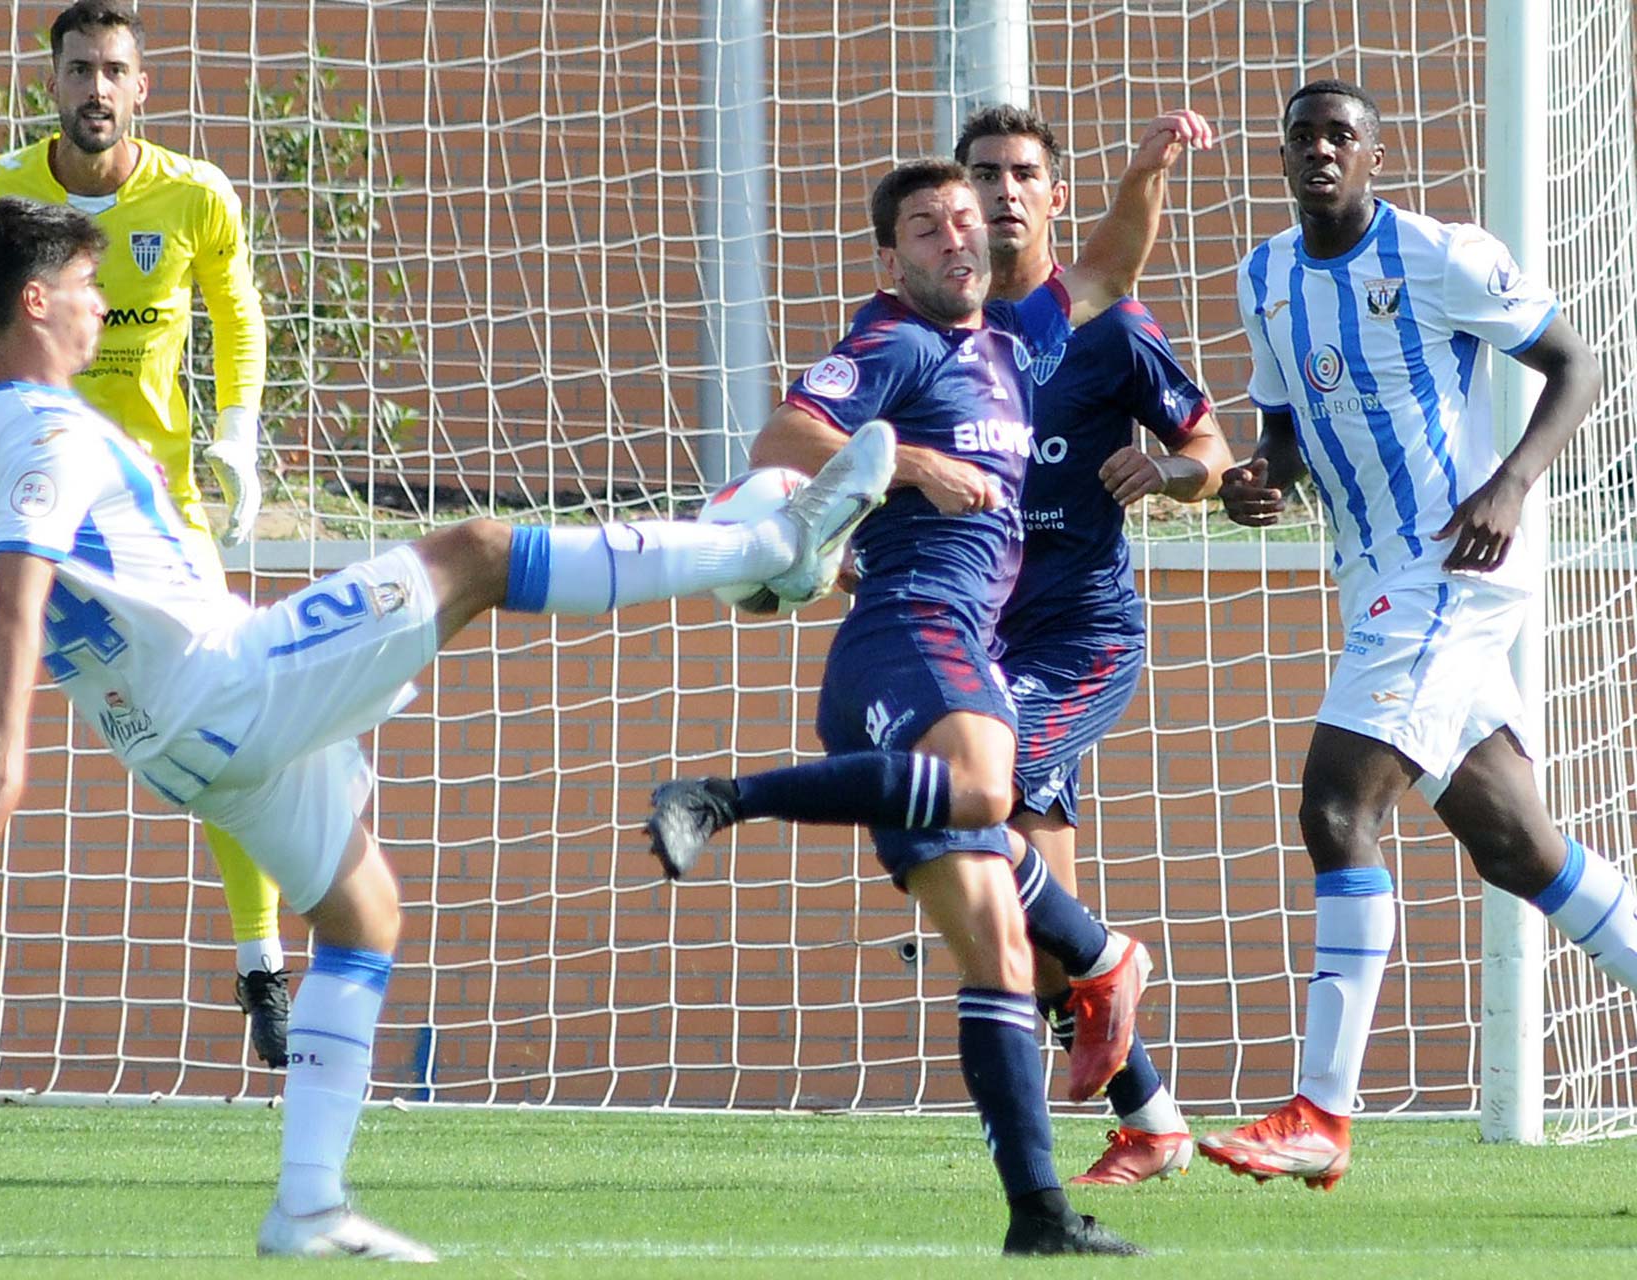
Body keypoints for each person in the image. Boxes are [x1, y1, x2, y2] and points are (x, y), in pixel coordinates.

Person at [0, 193, 892, 1258]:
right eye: (86, 289)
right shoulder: (46, 431)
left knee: (363, 915)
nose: (102, 309)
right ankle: (770, 547)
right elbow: (14, 596)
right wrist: (1, 769)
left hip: (176, 738)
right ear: (33, 298)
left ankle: (307, 1202)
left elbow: (23, 585)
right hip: (227, 687)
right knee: (475, 550)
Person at [648, 110, 1215, 1256]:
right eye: (931, 223)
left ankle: (1039, 1212)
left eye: (971, 215)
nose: (961, 233)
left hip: (939, 655)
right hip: (918, 635)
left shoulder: (1015, 344)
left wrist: (1147, 174)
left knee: (1001, 949)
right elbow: (784, 435)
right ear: (892, 256)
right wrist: (902, 462)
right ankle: (723, 798)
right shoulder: (898, 342)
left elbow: (1104, 269)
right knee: (983, 784)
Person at [1197, 80, 1634, 1189]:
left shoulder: (1439, 255)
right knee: (1518, 847)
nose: (1320, 151)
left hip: (1454, 564)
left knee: (1338, 799)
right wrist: (1263, 481)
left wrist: (1510, 485)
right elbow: (1287, 431)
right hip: (1376, 580)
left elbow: (1577, 362)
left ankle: (1321, 1112)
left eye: (1341, 135)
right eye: (1302, 136)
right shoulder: (1266, 277)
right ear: (1284, 156)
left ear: (1375, 156)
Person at [0, 0, 288, 1069]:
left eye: (115, 71)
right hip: (14, 482)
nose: (97, 87)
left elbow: (238, 315)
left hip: (149, 503)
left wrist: (236, 433)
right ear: (50, 84)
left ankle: (264, 968)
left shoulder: (196, 196)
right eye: (80, 69)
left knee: (220, 717)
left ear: (144, 88)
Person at [955, 104, 1234, 1184]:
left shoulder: (1107, 329)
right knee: (1032, 936)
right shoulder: (944, 337)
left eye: (1025, 173)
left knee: (977, 796)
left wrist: (1169, 471)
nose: (1004, 191)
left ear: (1054, 195)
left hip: (1082, 639)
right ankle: (1154, 1119)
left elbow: (1208, 445)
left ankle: (1115, 991)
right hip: (983, 643)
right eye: (985, 174)